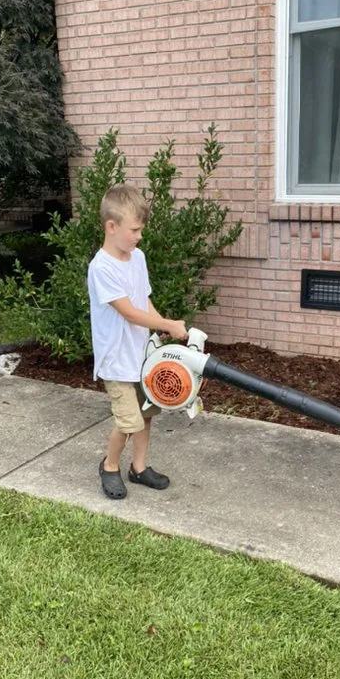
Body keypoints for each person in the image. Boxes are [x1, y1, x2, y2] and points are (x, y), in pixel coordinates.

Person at [87, 184, 188, 500]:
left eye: (141, 230)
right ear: (111, 227)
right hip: (116, 360)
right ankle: (111, 465)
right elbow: (129, 312)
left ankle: (139, 468)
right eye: (134, 230)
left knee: (146, 415)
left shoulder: (137, 257)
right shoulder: (101, 268)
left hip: (140, 354)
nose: (139, 236)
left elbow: (143, 300)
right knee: (128, 422)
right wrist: (168, 324)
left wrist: (159, 331)